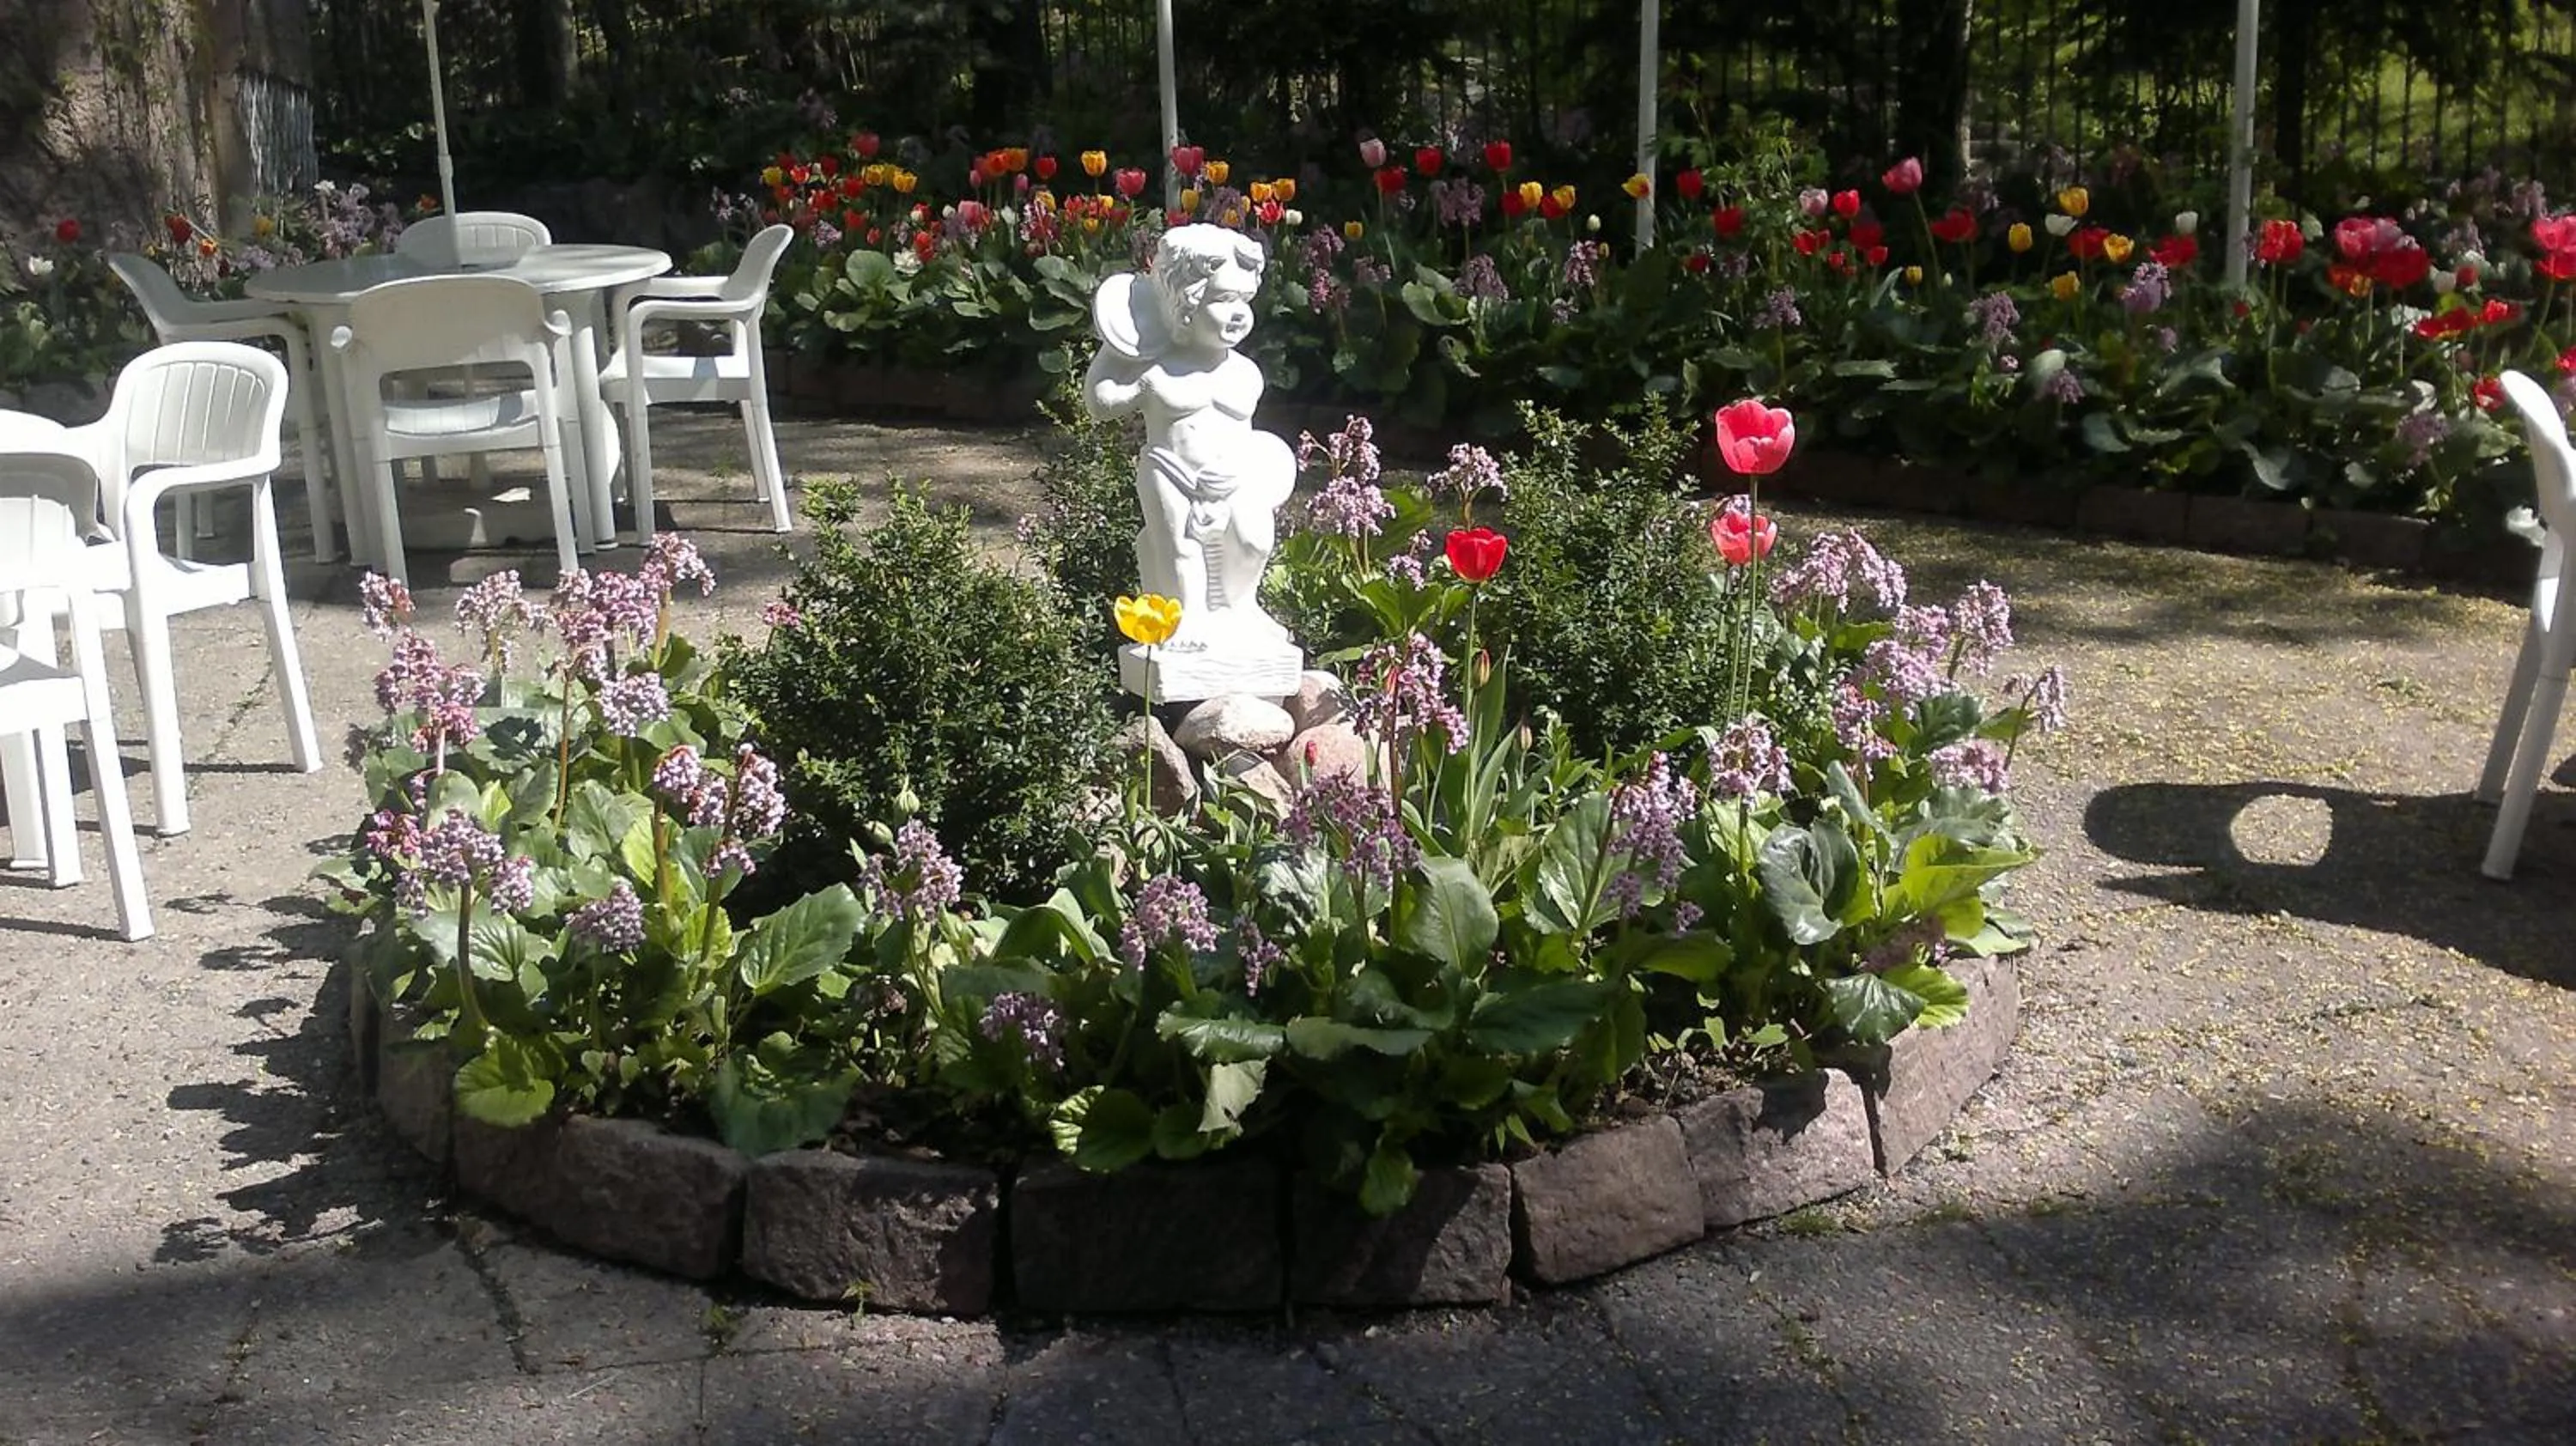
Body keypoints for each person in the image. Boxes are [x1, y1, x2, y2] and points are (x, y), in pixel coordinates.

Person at [1084, 224, 1295, 648]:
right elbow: (1098, 402)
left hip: (1231, 477)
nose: (1237, 312)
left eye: (1243, 300)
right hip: (1170, 470)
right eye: (1221, 300)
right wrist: (1126, 359)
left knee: (1253, 542)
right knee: (1181, 547)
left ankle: (1241, 608)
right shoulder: (1159, 368)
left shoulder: (1243, 371)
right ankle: (1190, 617)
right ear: (1185, 303)